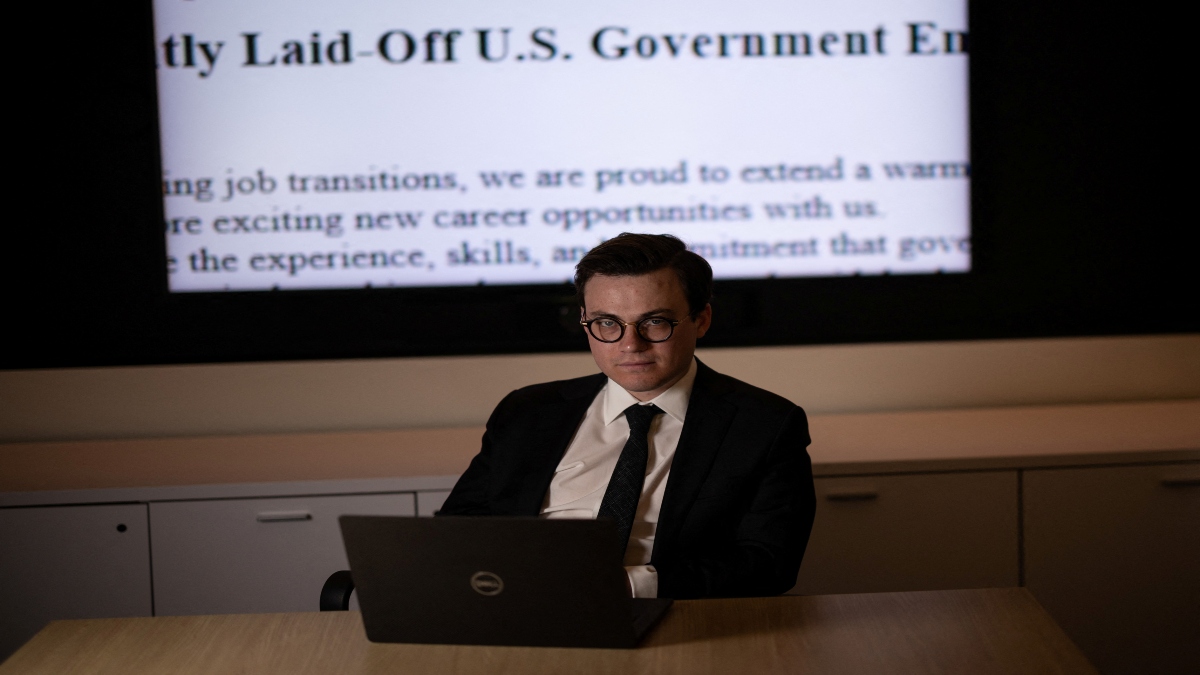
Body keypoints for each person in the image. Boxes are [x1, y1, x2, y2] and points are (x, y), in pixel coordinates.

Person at [439, 233, 816, 599]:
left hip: (671, 616)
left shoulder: (766, 425)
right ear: (585, 321)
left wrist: (625, 586)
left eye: (655, 321)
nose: (630, 345)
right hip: (520, 608)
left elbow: (769, 563)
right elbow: (458, 529)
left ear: (701, 320)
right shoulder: (527, 411)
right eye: (607, 323)